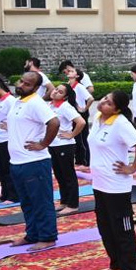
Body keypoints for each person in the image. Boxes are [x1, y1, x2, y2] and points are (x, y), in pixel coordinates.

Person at [89, 90, 136, 270]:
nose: (103, 102)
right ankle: (115, 264)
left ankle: (129, 268)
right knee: (105, 226)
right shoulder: (98, 118)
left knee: (122, 227)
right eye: (105, 98)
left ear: (117, 110)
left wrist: (133, 167)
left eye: (108, 103)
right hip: (99, 183)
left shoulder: (121, 123)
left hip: (116, 185)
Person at [7, 72, 60, 251]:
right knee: (27, 202)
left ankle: (47, 236)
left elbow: (54, 122)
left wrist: (43, 144)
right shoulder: (18, 101)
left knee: (41, 201)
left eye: (27, 84)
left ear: (36, 88)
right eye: (21, 81)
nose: (21, 85)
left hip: (34, 161)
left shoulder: (36, 103)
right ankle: (32, 234)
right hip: (17, 161)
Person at [48, 83, 86, 215]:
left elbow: (81, 122)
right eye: (56, 89)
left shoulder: (65, 107)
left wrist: (71, 134)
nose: (55, 92)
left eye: (60, 92)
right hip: (53, 144)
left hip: (64, 145)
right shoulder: (50, 105)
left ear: (65, 97)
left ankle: (73, 204)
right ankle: (64, 201)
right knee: (59, 175)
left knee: (68, 175)